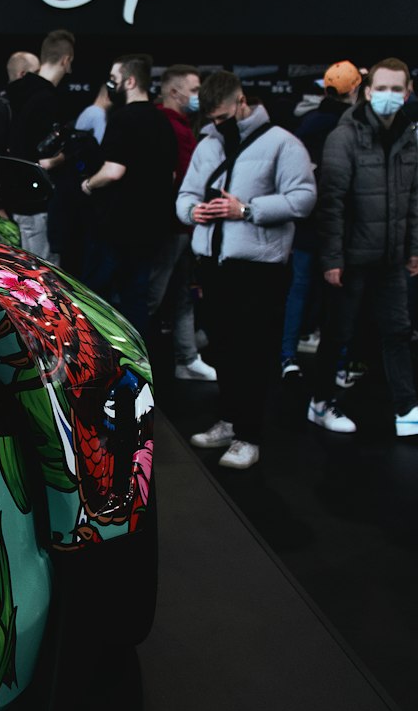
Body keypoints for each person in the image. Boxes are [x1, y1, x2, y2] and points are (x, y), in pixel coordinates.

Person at [177, 70, 316, 470]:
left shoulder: (282, 143)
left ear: (241, 102)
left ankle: (249, 434)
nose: (218, 125)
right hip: (213, 264)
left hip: (259, 269)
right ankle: (230, 419)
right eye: (212, 119)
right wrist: (193, 211)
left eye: (223, 117)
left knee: (252, 352)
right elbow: (185, 194)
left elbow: (304, 198)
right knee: (221, 348)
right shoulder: (208, 143)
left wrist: (248, 210)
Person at [307, 56, 418, 438]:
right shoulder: (345, 135)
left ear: (408, 92)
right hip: (351, 258)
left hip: (391, 257)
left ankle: (407, 408)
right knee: (339, 332)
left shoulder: (409, 135)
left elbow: (415, 196)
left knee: (397, 331)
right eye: (382, 88)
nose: (389, 95)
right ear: (368, 92)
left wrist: (413, 248)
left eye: (396, 89)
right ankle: (320, 403)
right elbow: (332, 201)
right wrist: (333, 258)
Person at [78, 52, 177, 337]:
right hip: (151, 228)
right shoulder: (163, 122)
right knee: (136, 298)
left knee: (95, 296)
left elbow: (113, 171)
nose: (110, 84)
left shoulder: (122, 119)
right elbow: (170, 177)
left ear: (130, 81)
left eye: (114, 79)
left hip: (117, 226)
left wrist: (88, 185)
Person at [280, 60, 363, 379]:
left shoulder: (307, 122)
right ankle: (338, 364)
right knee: (339, 295)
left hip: (308, 221)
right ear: (355, 89)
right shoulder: (351, 127)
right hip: (337, 223)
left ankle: (288, 357)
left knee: (300, 289)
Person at [0, 29, 74, 262]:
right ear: (66, 60)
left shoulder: (14, 99)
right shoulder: (38, 100)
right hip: (30, 204)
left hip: (20, 204)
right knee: (40, 273)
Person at [148, 63, 216, 381]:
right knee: (153, 298)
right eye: (193, 91)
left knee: (182, 296)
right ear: (175, 92)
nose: (198, 97)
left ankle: (187, 358)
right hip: (170, 228)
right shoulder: (165, 126)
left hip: (187, 227)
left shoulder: (184, 125)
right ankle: (132, 364)